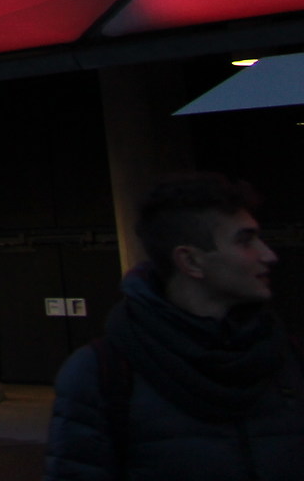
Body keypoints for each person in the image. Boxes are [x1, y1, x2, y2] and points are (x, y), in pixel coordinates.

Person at [46, 172, 304, 479]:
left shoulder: (289, 356)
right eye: (246, 241)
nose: (268, 255)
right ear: (191, 262)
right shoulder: (102, 373)